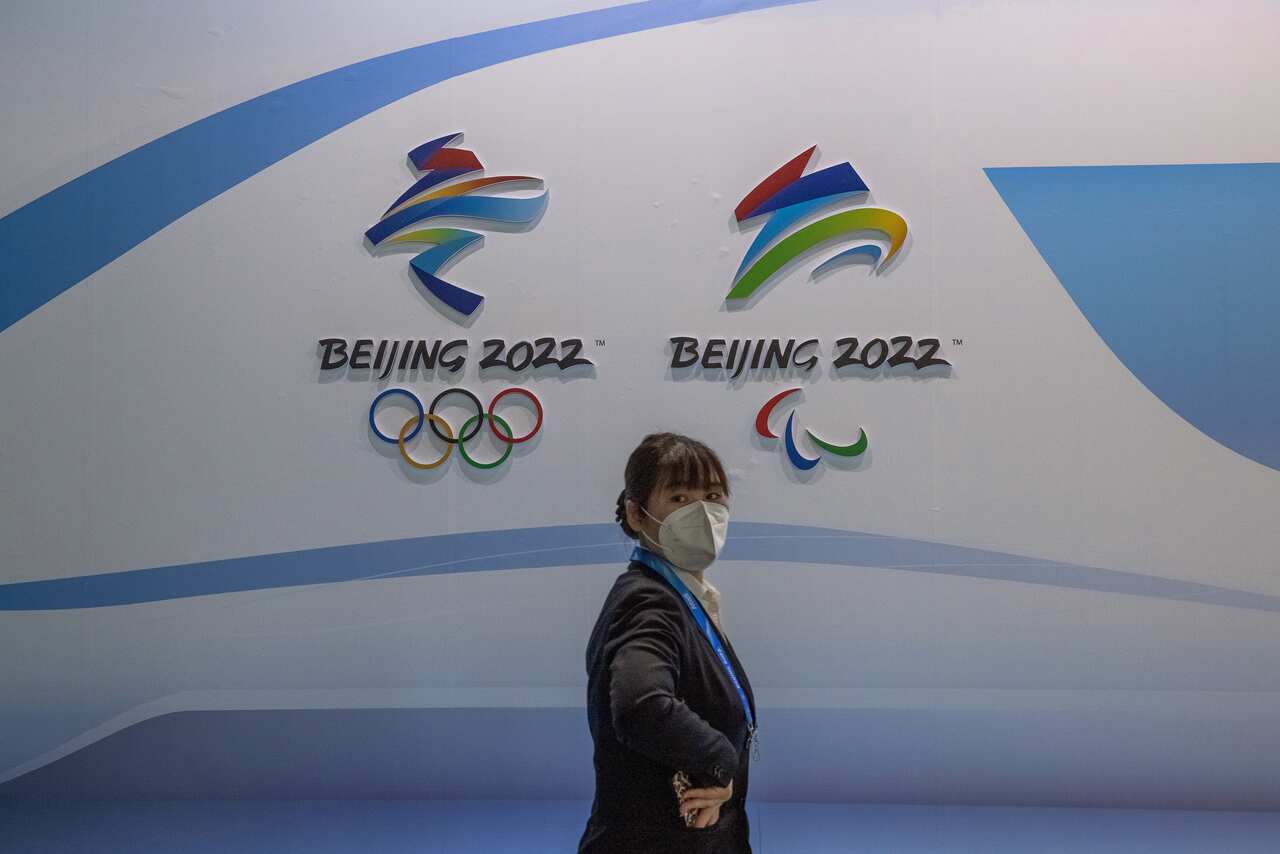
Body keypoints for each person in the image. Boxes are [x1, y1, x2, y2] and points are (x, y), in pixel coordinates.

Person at [578, 432, 758, 853]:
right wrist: (719, 759)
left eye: (713, 495)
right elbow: (640, 703)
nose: (700, 511)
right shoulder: (648, 601)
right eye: (678, 498)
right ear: (636, 515)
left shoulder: (680, 592)